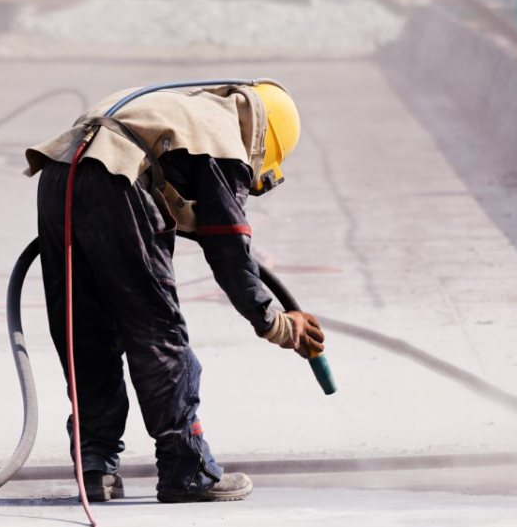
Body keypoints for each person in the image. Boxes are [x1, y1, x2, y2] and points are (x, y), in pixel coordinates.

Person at [24, 81, 325, 503]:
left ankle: (95, 465)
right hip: (117, 181)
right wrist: (274, 323)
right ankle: (187, 467)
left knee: (85, 329)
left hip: (60, 175)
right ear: (263, 140)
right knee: (155, 329)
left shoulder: (183, 111)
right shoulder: (224, 140)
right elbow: (228, 247)